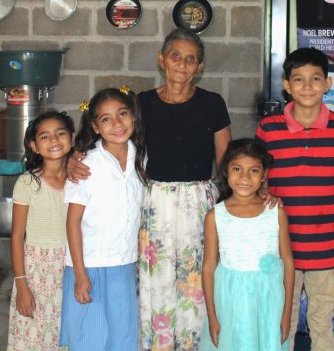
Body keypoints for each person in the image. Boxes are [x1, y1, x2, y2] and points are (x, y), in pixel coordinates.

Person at [68, 29, 232, 350]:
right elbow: (109, 134)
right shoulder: (141, 103)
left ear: (199, 67)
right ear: (161, 59)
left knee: (196, 280)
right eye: (175, 56)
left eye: (190, 59)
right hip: (154, 204)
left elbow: (226, 162)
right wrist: (75, 157)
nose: (182, 64)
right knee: (155, 280)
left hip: (199, 205)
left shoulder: (213, 104)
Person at [256, 47, 334, 351]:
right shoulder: (269, 129)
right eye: (298, 79)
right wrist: (264, 193)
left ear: (327, 84)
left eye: (315, 79)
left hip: (326, 247)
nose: (307, 86)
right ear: (286, 86)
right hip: (282, 246)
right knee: (283, 322)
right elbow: (257, 181)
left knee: (322, 322)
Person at [59, 87, 148, 350]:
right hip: (90, 264)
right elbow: (72, 222)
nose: (117, 123)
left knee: (123, 337)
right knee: (90, 338)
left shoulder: (141, 158)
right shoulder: (86, 165)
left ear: (133, 116)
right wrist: (80, 273)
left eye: (122, 114)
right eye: (106, 119)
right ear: (95, 127)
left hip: (124, 263)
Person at [199, 138, 294, 350]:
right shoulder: (215, 216)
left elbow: (288, 263)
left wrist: (287, 312)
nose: (244, 177)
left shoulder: (275, 212)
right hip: (230, 304)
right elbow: (208, 268)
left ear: (264, 175)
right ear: (226, 171)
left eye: (254, 171)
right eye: (237, 169)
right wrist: (212, 316)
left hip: (269, 303)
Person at [8, 110, 75, 350]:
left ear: (72, 138)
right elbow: (17, 236)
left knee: (65, 333)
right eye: (45, 137)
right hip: (36, 271)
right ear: (34, 146)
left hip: (70, 266)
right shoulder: (27, 183)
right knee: (34, 335)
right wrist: (22, 285)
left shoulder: (80, 181)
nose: (54, 140)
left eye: (60, 133)